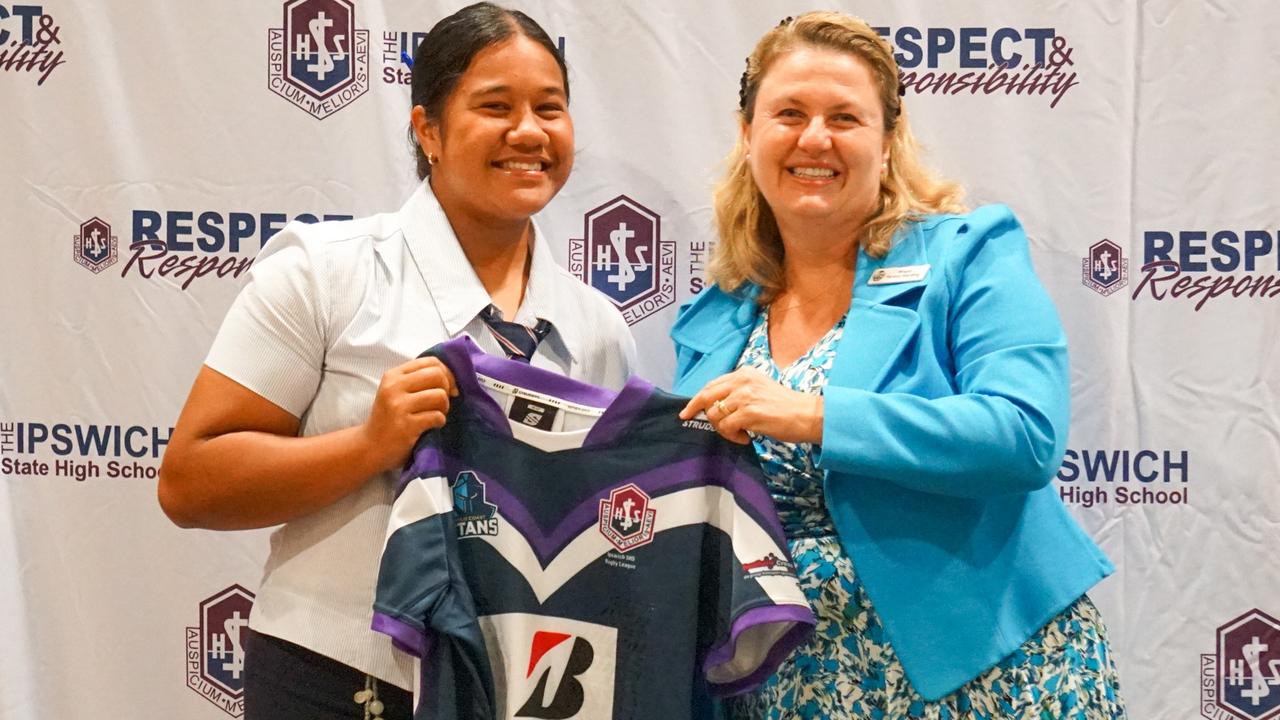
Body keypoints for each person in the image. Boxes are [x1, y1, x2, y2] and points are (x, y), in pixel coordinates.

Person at [157, 4, 635, 718]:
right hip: (333, 677)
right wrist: (368, 445)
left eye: (550, 108)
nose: (529, 132)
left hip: (519, 688)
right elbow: (190, 484)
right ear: (428, 130)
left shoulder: (595, 329)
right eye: (495, 106)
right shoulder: (324, 274)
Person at [673, 12, 1125, 720]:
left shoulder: (968, 253)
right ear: (748, 134)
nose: (814, 137)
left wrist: (816, 416)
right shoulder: (716, 314)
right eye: (788, 113)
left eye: (844, 117)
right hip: (797, 688)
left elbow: (1024, 434)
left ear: (887, 142)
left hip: (993, 674)